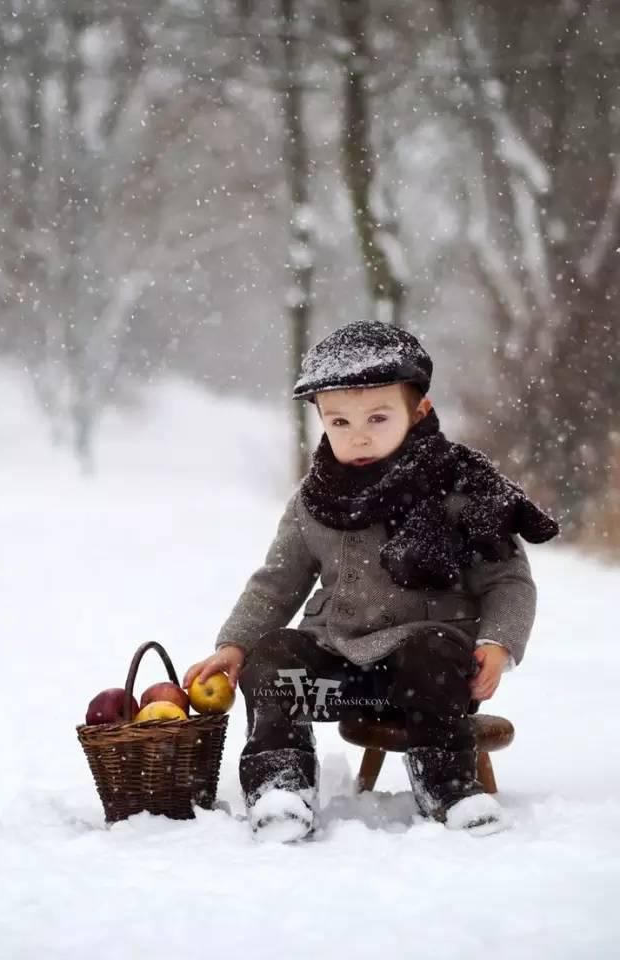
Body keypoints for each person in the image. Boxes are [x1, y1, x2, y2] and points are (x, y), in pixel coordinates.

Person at [182, 321, 559, 842]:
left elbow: (508, 580)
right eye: (339, 422)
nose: (357, 436)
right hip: (338, 674)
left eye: (378, 418)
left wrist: (499, 644)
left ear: (419, 411)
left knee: (432, 651)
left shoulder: (459, 491)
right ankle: (281, 784)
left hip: (427, 679)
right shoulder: (314, 501)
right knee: (272, 659)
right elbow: (276, 584)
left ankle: (449, 787)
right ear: (320, 420)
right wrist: (235, 644)